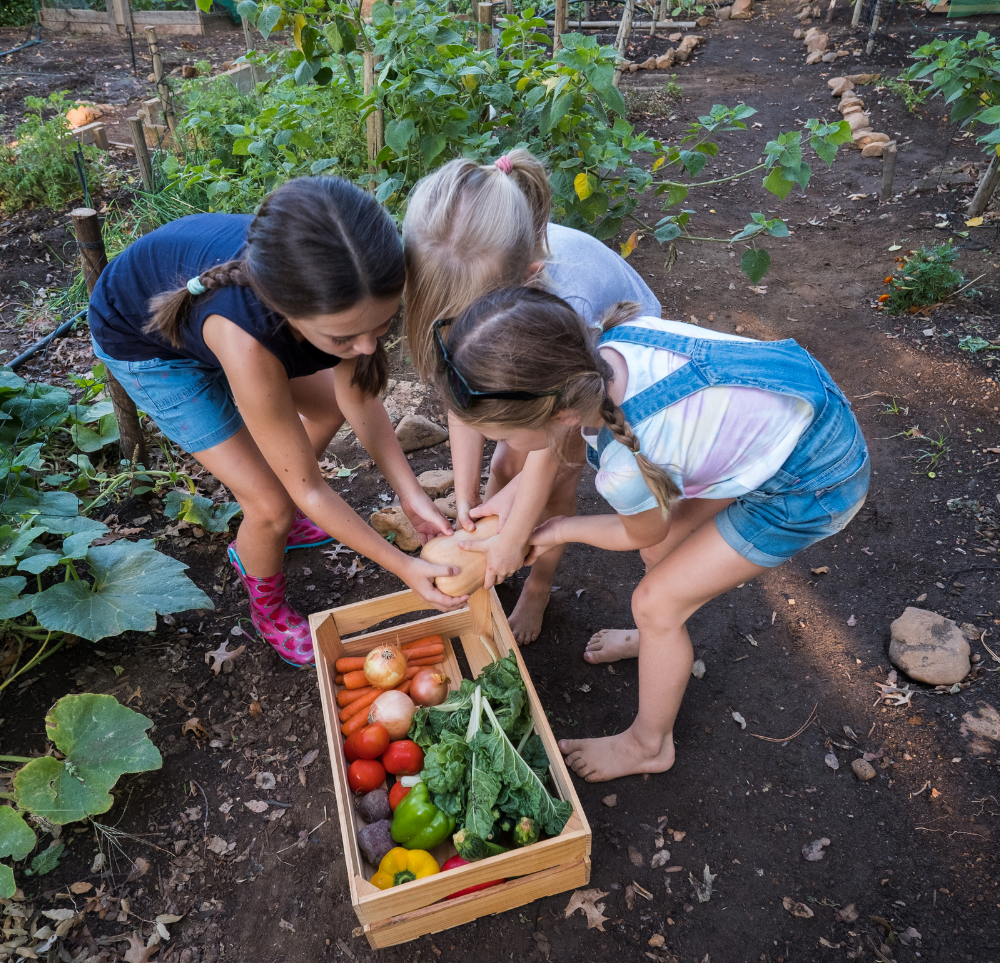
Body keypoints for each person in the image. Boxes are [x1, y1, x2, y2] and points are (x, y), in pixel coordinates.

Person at [431, 286, 870, 782]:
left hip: (811, 480)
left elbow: (636, 532)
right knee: (666, 552)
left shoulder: (625, 464)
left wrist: (556, 530)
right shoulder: (602, 356)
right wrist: (507, 509)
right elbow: (550, 450)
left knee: (656, 602)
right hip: (791, 409)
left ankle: (649, 744)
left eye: (504, 437)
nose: (503, 448)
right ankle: (656, 642)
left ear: (560, 414)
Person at [89, 176, 464, 668]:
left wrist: (412, 497)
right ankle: (267, 605)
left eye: (382, 326)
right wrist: (403, 566)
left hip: (214, 322)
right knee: (270, 505)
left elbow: (359, 402)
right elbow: (311, 490)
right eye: (346, 338)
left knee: (326, 409)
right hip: (144, 342)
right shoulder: (250, 341)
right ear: (288, 313)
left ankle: (276, 523)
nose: (370, 347)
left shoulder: (347, 287)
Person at [402, 149, 660, 644]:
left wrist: (518, 534)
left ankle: (537, 586)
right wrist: (465, 493)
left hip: (603, 365)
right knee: (502, 469)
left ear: (526, 279)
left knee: (554, 479)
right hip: (534, 368)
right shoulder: (465, 278)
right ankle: (494, 553)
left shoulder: (568, 307)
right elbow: (464, 397)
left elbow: (554, 452)